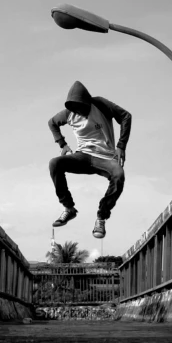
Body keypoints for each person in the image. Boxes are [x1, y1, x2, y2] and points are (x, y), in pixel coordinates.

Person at [48, 81, 131, 238]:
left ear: (87, 102)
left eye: (82, 107)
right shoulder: (68, 113)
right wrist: (62, 144)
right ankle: (68, 208)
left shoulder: (100, 104)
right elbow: (52, 123)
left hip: (104, 157)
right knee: (54, 163)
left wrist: (121, 146)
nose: (80, 112)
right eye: (76, 109)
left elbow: (126, 116)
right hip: (82, 156)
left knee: (118, 174)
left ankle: (101, 217)